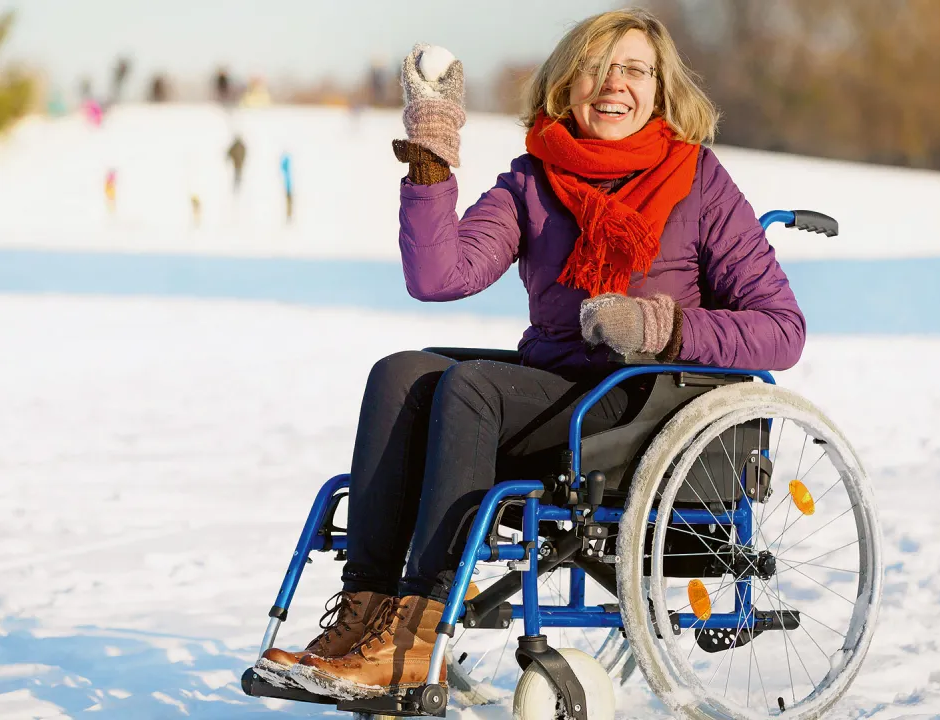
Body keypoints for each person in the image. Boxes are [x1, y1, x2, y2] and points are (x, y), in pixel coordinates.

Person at [255, 7, 805, 699]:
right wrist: (430, 154)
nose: (614, 83)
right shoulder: (533, 180)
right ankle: (364, 614)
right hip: (550, 399)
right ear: (564, 85)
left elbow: (781, 329)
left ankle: (418, 637)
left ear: (660, 90)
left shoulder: (699, 182)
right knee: (400, 374)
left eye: (634, 70)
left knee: (472, 387)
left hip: (645, 408)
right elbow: (438, 277)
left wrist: (659, 327)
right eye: (594, 68)